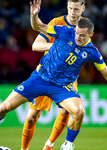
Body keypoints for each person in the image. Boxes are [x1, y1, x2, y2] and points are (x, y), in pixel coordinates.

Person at [0, 0, 107, 150]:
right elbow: (38, 28)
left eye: (82, 35)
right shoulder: (65, 30)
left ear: (90, 34)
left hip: (62, 85)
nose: (78, 37)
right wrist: (34, 15)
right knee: (6, 108)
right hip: (41, 77)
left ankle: (66, 145)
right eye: (77, 33)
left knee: (78, 111)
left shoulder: (92, 51)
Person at [21, 0, 85, 150]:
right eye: (70, 8)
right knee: (32, 118)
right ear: (67, 7)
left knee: (66, 111)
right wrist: (58, 47)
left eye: (76, 9)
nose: (73, 12)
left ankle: (49, 145)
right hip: (46, 74)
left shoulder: (85, 26)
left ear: (83, 8)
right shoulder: (57, 22)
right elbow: (36, 45)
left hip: (68, 76)